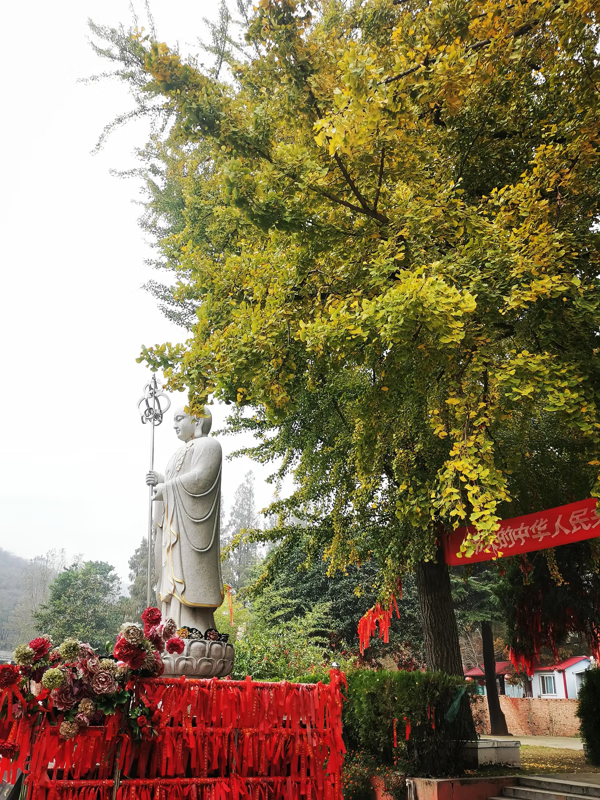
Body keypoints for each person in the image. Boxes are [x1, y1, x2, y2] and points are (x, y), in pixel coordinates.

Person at [146, 405, 223, 631]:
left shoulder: (209, 445)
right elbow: (178, 480)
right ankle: (170, 627)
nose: (174, 425)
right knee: (170, 576)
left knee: (188, 576)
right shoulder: (178, 453)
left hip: (191, 530)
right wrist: (161, 480)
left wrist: (167, 488)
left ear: (197, 421)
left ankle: (194, 627)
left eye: (179, 418)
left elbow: (201, 478)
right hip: (174, 527)